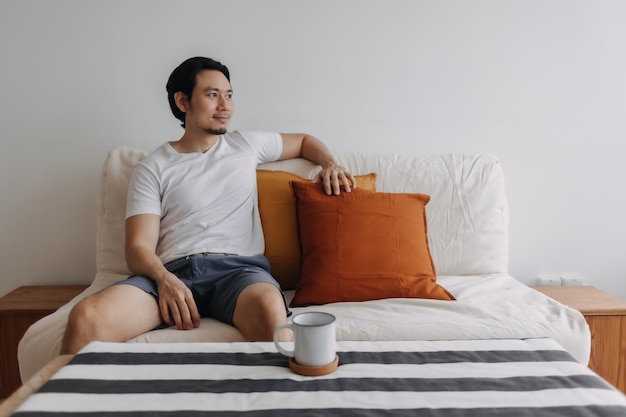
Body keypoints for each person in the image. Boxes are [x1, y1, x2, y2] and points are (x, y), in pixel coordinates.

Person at [61, 56, 356, 354]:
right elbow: (137, 248)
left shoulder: (246, 146)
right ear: (182, 101)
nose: (225, 106)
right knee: (86, 318)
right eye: (213, 95)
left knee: (271, 313)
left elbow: (305, 141)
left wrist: (330, 163)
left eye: (228, 95)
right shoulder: (153, 167)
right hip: (171, 272)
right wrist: (165, 280)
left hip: (239, 273)